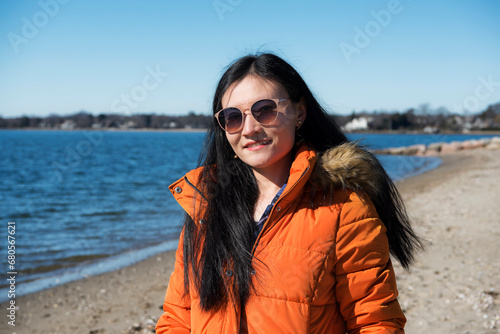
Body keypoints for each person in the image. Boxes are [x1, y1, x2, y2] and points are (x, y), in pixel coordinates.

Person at [156, 53, 421, 333]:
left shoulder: (345, 208)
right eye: (233, 117)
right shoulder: (205, 207)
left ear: (300, 112)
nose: (249, 128)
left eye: (265, 110)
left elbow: (376, 323)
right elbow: (177, 318)